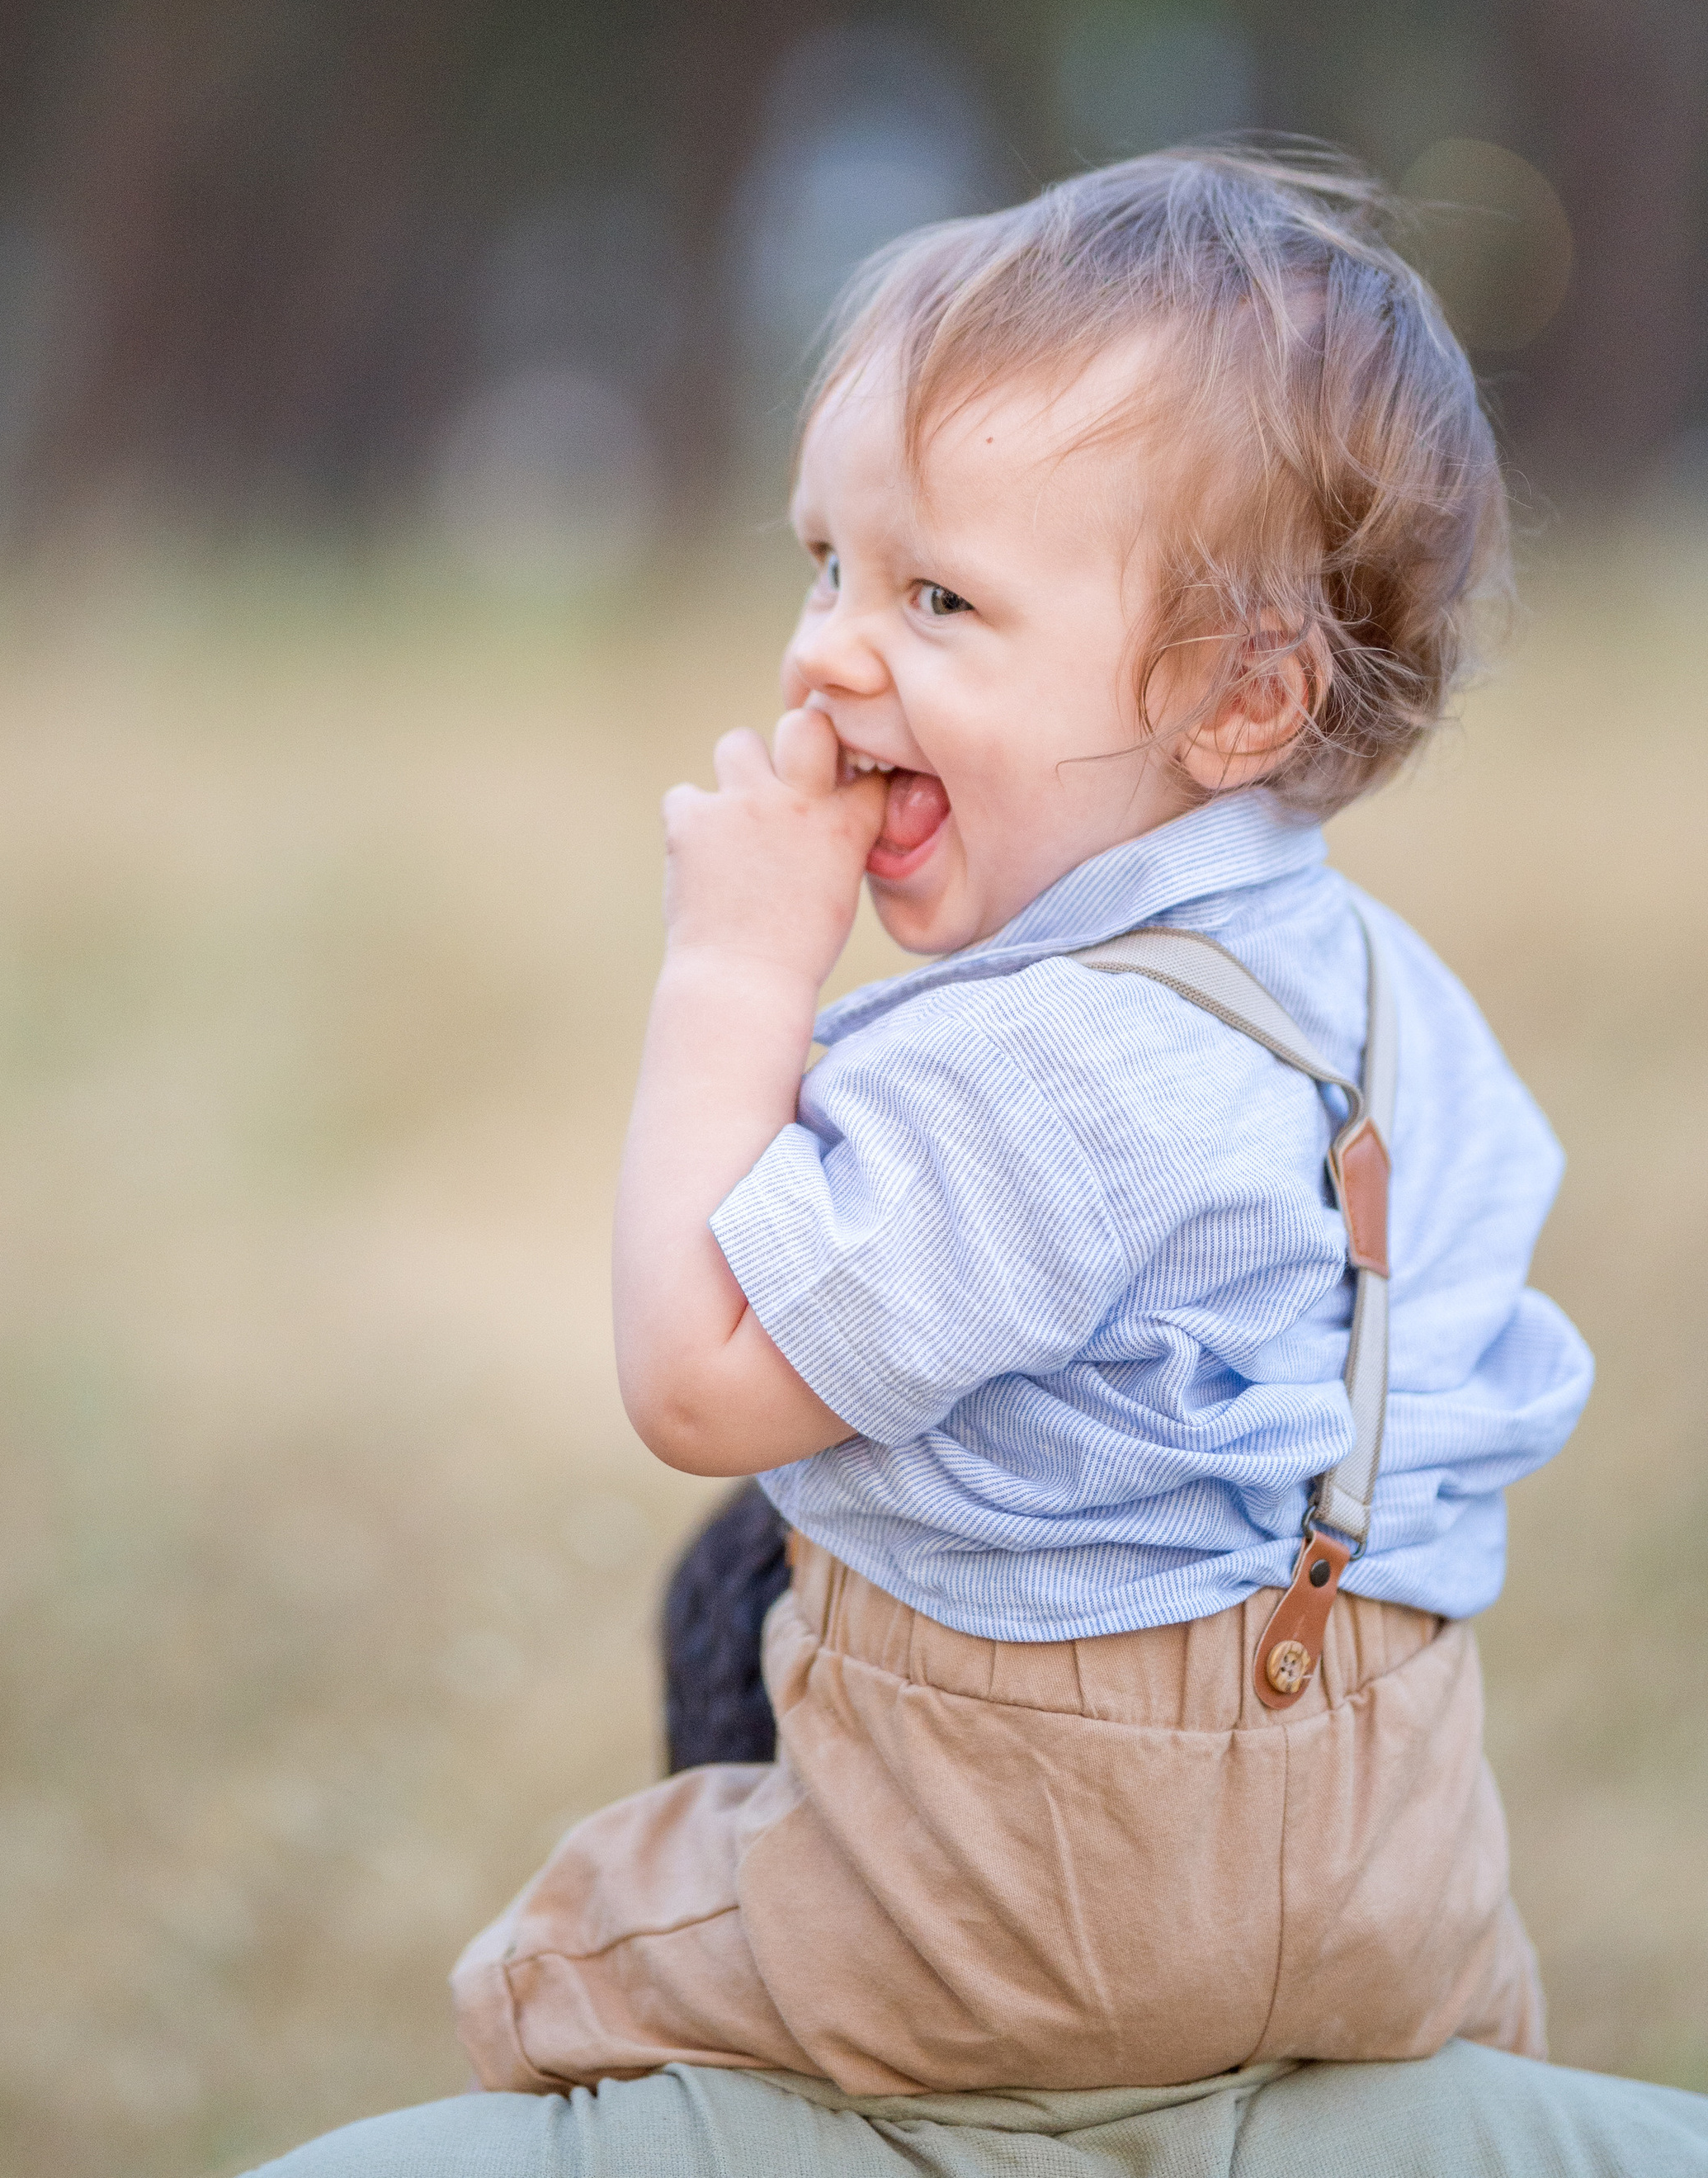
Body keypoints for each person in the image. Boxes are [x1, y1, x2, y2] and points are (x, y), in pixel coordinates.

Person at [451, 147, 1594, 2099]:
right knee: (753, 1568)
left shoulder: (1033, 1066)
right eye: (823, 563)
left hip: (1032, 1900)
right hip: (1402, 1883)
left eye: (937, 595)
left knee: (563, 1954)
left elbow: (698, 1386)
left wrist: (733, 979)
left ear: (1238, 703)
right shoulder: (1399, 1005)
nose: (823, 648)